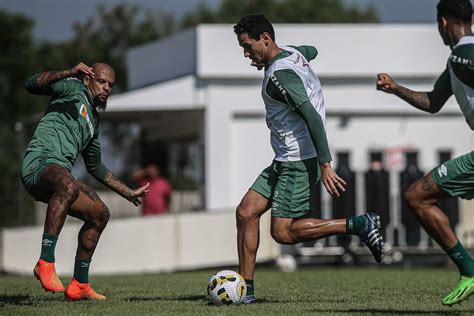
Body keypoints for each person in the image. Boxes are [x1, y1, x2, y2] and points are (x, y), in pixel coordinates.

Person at [233, 15, 384, 304]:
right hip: (284, 159)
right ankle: (245, 291)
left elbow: (311, 116)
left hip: (298, 161)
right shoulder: (293, 53)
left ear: (265, 38)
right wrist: (300, 57)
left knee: (283, 233)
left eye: (248, 46)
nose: (246, 54)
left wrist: (326, 164)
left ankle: (360, 225)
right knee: (246, 212)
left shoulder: (280, 76)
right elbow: (311, 49)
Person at [21, 62, 150, 301]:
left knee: (100, 214)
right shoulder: (72, 88)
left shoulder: (93, 122)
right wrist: (70, 71)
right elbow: (31, 84)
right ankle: (45, 263)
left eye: (111, 85)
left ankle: (79, 284)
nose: (107, 88)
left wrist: (128, 192)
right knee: (67, 183)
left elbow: (96, 167)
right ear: (87, 79)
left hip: (59, 180)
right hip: (38, 165)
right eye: (101, 81)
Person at [376, 0, 474, 306]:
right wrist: (396, 89)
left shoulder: (463, 54)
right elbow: (433, 102)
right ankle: (469, 270)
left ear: (443, 23)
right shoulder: (456, 61)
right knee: (419, 195)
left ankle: (469, 270)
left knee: (417, 195)